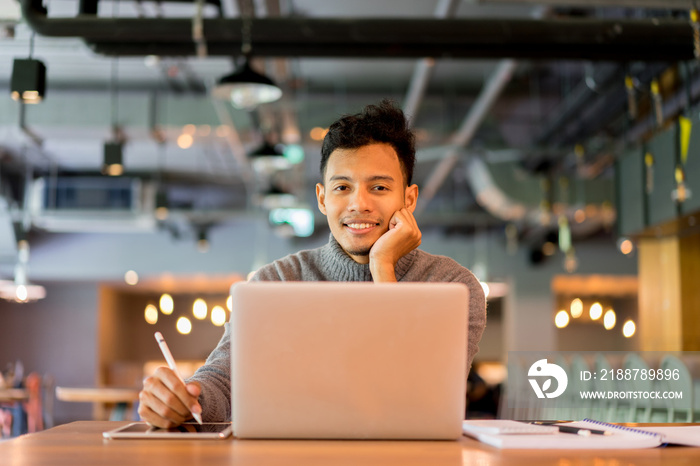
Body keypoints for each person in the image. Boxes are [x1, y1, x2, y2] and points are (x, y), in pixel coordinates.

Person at [138, 100, 487, 428]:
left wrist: (383, 268)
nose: (358, 204)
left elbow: (425, 402)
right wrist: (185, 401)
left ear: (408, 199)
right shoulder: (275, 282)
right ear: (322, 198)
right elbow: (224, 382)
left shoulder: (453, 285)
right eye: (342, 188)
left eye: (379, 187)